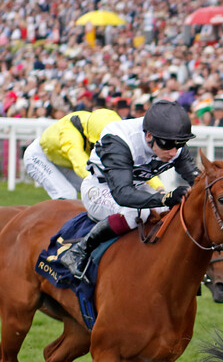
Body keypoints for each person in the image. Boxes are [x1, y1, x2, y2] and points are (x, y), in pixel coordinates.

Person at [59, 100, 200, 279]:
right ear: (149, 135)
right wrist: (164, 198)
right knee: (136, 214)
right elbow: (123, 194)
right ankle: (79, 251)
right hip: (101, 188)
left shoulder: (170, 139)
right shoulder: (119, 139)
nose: (174, 152)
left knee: (175, 212)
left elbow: (197, 180)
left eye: (180, 144)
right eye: (168, 144)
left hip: (136, 188)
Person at [23, 109, 161, 200]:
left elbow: (135, 163)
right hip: (40, 157)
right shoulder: (69, 133)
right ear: (91, 138)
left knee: (99, 193)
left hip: (65, 161)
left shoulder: (106, 128)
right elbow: (81, 165)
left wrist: (158, 187)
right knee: (67, 195)